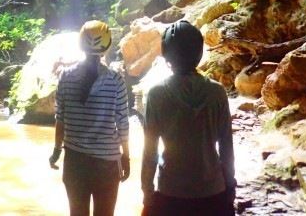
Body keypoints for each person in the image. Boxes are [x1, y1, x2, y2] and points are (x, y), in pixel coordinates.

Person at [141, 20, 236, 216]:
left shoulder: (157, 94)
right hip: (212, 191)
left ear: (167, 53)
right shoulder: (216, 92)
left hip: (171, 192)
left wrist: (147, 191)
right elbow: (226, 146)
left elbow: (150, 150)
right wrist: (230, 185)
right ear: (198, 53)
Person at [49, 20, 130, 216]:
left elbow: (60, 119)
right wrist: (126, 157)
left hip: (75, 163)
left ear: (80, 45)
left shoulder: (65, 77)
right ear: (107, 45)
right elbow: (123, 125)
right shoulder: (116, 80)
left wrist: (56, 151)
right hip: (107, 164)